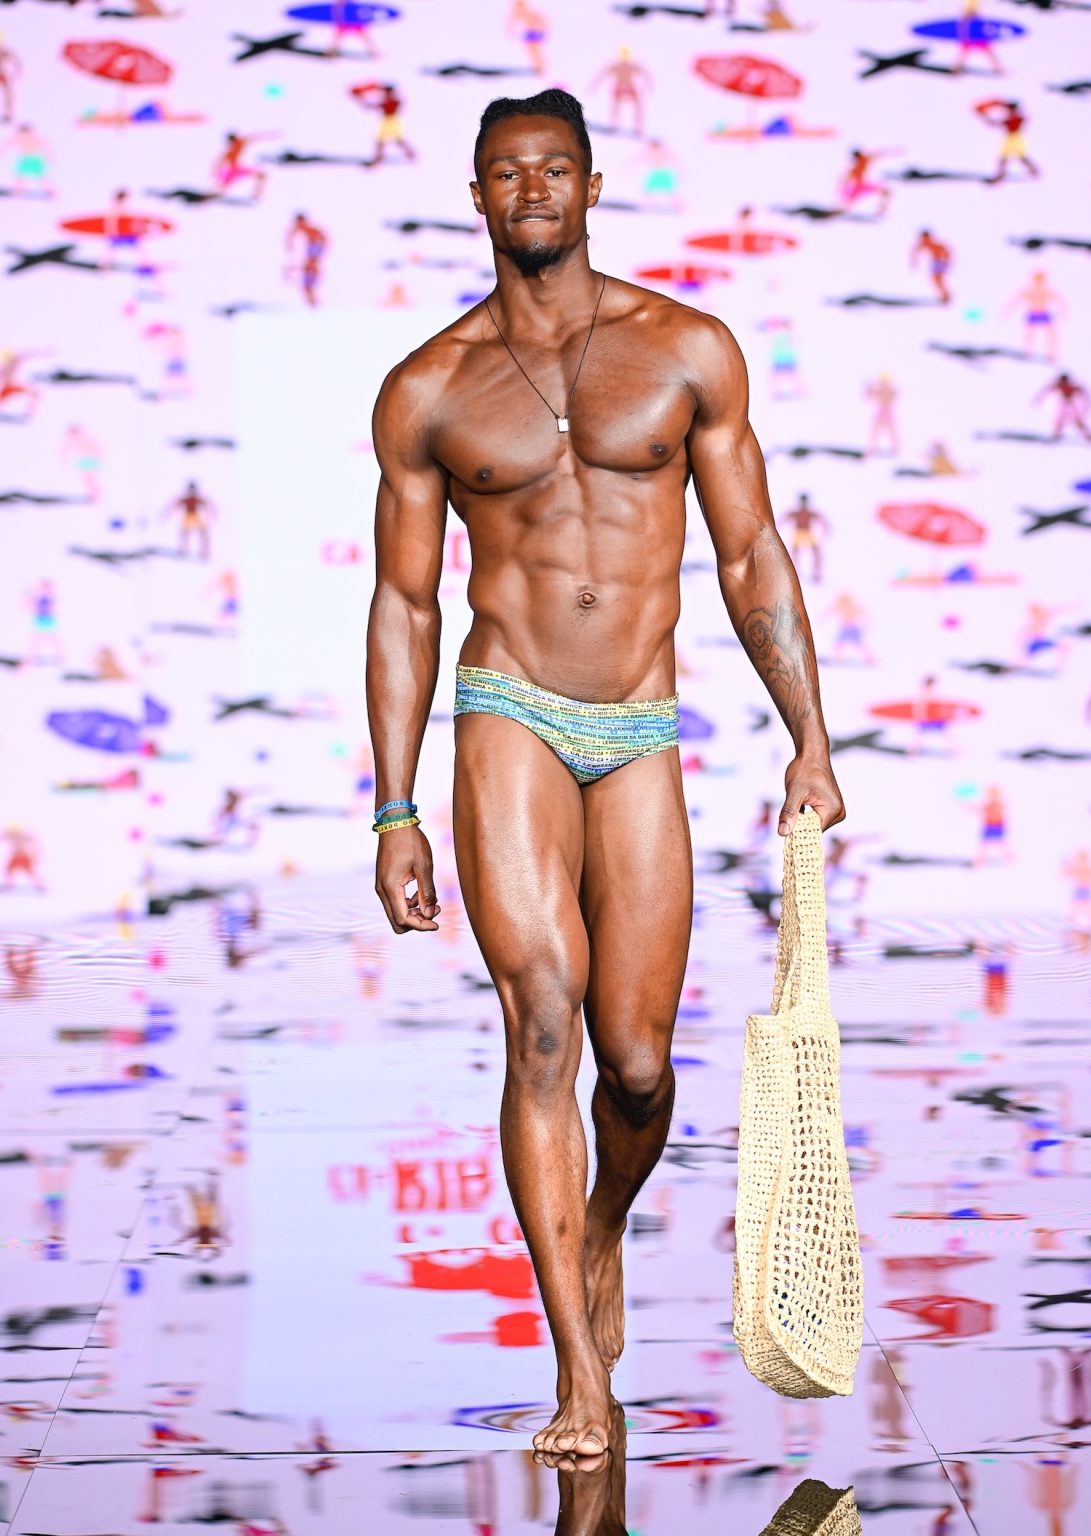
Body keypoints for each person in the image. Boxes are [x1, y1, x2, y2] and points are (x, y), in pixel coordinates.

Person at [366, 88, 845, 1461]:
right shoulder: (428, 387)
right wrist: (393, 806)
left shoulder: (684, 350)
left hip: (638, 727)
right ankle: (579, 1372)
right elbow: (404, 603)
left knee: (634, 1068)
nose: (531, 188)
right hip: (505, 707)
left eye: (553, 168)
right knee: (542, 1020)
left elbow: (749, 555)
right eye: (505, 172)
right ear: (476, 196)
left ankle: (602, 1228)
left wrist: (808, 735)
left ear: (590, 185)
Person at [911, 229, 953, 305]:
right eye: (923, 238)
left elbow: (946, 251)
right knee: (936, 280)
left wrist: (946, 261)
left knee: (937, 279)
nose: (924, 240)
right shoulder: (925, 244)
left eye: (925, 238)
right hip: (936, 263)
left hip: (939, 262)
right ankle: (944, 296)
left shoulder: (935, 244)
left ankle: (946, 296)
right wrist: (914, 261)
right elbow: (916, 251)